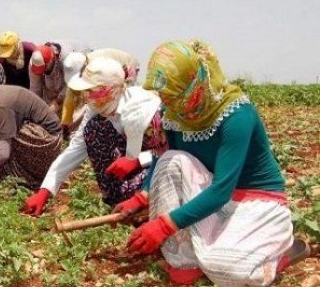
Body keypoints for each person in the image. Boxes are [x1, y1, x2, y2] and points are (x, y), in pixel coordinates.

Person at [116, 40, 307, 285]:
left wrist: (164, 226)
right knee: (170, 160)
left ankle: (280, 249)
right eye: (164, 95)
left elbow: (221, 190)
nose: (167, 101)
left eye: (173, 94)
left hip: (253, 199)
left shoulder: (237, 115)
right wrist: (141, 196)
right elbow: (166, 162)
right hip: (212, 194)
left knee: (226, 270)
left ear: (194, 83)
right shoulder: (174, 114)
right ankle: (183, 257)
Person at [23, 56, 165, 216]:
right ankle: (118, 200)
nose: (86, 97)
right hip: (134, 162)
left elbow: (174, 153)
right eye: (86, 91)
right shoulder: (96, 108)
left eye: (92, 91)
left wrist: (138, 161)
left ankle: (146, 204)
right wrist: (45, 190)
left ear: (112, 91)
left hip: (159, 167)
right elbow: (76, 148)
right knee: (93, 129)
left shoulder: (145, 111)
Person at [29, 40, 89, 132]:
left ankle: (75, 131)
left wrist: (57, 102)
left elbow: (71, 84)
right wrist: (34, 112)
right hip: (51, 89)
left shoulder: (67, 59)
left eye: (44, 69)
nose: (43, 72)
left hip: (72, 86)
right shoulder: (34, 63)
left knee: (73, 118)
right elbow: (35, 89)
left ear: (50, 61)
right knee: (48, 120)